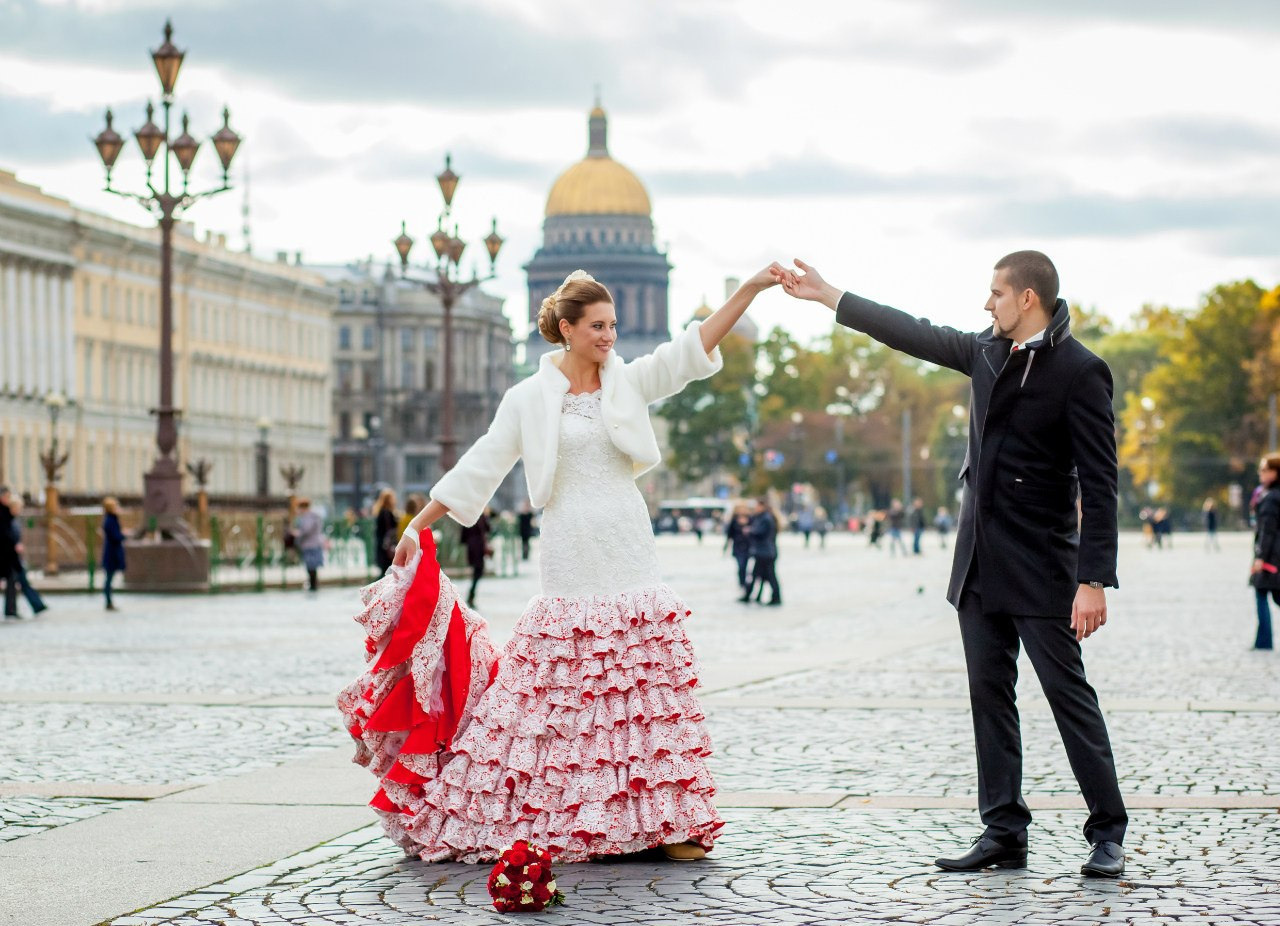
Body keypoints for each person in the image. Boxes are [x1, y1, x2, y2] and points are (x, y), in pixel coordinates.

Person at [339, 265, 779, 865]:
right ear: (566, 329)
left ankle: (664, 818)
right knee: (566, 690)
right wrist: (417, 525)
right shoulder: (527, 398)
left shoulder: (627, 382)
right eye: (598, 326)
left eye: (614, 325)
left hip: (627, 540)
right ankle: (572, 815)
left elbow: (693, 348)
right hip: (570, 544)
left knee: (639, 684)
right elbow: (482, 464)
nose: (609, 336)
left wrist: (748, 291)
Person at [779, 250, 1127, 878]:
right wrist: (830, 295)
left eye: (995, 293)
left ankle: (1107, 833)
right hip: (978, 567)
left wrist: (1093, 580)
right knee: (989, 700)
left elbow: (1101, 486)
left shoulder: (1082, 371)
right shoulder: (984, 352)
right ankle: (1003, 831)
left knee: (1068, 698)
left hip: (1044, 567)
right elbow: (911, 331)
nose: (985, 304)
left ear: (1027, 298)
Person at [1249, 455, 1279, 651]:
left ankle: (1264, 641)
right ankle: (1262, 640)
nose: (1261, 473)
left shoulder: (1270, 498)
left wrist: (1260, 557)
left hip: (1272, 555)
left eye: (1264, 470)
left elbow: (1267, 530)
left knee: (1261, 593)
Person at [6, 498, 47, 618]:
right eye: (18, 507)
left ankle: (34, 605)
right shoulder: (9, 521)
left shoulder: (14, 521)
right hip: (11, 558)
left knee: (19, 583)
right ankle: (36, 605)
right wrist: (15, 545)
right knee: (20, 582)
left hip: (15, 558)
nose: (20, 510)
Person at [741, 497, 781, 606]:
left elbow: (761, 532)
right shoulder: (763, 517)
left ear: (763, 506)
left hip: (765, 552)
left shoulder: (766, 518)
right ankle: (752, 596)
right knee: (761, 575)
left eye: (757, 506)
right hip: (765, 551)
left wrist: (750, 531)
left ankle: (775, 597)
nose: (755, 508)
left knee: (768, 576)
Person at [459, 506, 492, 609]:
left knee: (477, 571)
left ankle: (471, 595)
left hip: (471, 546)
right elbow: (488, 528)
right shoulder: (481, 516)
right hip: (478, 547)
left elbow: (463, 536)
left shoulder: (467, 516)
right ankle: (471, 595)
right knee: (478, 571)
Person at [100, 497, 126, 612]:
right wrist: (123, 535)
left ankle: (109, 601)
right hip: (112, 553)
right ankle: (108, 602)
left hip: (111, 552)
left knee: (109, 578)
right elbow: (115, 537)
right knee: (109, 578)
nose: (118, 508)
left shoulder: (110, 519)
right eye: (116, 506)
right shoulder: (111, 520)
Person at [293, 498, 324, 592]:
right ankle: (313, 584)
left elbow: (306, 530)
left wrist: (298, 533)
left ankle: (313, 585)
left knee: (311, 566)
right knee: (311, 566)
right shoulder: (313, 516)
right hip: (313, 543)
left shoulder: (309, 517)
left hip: (310, 544)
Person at [724, 506, 752, 593]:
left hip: (748, 547)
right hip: (738, 547)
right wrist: (726, 547)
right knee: (741, 566)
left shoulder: (750, 519)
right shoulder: (734, 520)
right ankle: (742, 583)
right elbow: (729, 534)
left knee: (745, 566)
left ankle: (745, 582)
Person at [1, 486, 18, 619]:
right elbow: (6, 533)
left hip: (7, 554)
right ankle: (10, 609)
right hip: (5, 554)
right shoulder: (4, 513)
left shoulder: (7, 512)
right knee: (11, 579)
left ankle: (11, 609)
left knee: (12, 580)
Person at [373, 488, 399, 576]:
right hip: (387, 546)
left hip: (382, 545)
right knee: (386, 572)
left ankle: (377, 588)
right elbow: (391, 528)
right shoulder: (387, 513)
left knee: (385, 572)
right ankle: (376, 589)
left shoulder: (380, 512)